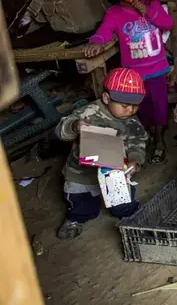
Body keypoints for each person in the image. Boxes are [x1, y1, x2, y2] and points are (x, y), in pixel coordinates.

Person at [83, 0, 173, 164]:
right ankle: (145, 137)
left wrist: (147, 12)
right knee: (142, 109)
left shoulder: (152, 4)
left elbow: (168, 24)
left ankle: (159, 142)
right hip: (134, 75)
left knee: (159, 107)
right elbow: (104, 32)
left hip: (157, 69)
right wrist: (96, 42)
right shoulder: (114, 13)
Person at [56, 68, 149, 240]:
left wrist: (135, 161)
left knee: (123, 206)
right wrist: (75, 126)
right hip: (81, 174)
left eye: (135, 105)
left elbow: (137, 142)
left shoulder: (132, 122)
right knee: (82, 205)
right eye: (125, 105)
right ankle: (75, 219)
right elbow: (61, 130)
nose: (130, 110)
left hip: (114, 173)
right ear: (106, 98)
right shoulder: (89, 113)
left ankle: (132, 214)